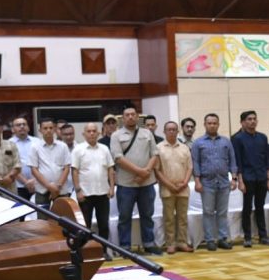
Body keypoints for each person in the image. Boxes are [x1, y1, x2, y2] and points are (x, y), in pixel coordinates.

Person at [110, 107, 162, 255]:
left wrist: (146, 172)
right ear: (123, 118)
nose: (131, 117)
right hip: (126, 184)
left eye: (133, 114)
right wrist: (140, 172)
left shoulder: (147, 134)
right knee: (124, 216)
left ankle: (149, 243)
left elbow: (155, 154)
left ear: (137, 117)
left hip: (147, 183)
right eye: (127, 115)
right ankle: (125, 247)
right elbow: (118, 158)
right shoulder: (116, 135)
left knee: (147, 215)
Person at [192, 113, 238, 251]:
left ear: (218, 124)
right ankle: (210, 239)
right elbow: (195, 163)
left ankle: (223, 238)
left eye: (214, 123)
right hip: (206, 182)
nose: (212, 125)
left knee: (222, 212)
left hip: (224, 182)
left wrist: (234, 178)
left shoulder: (226, 141)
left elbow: (232, 160)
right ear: (205, 124)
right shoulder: (198, 143)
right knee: (208, 212)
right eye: (209, 123)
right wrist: (197, 181)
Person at [232, 110, 269, 247]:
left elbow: (267, 159)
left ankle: (263, 236)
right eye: (249, 119)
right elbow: (238, 161)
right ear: (243, 122)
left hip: (261, 176)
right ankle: (247, 237)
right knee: (247, 208)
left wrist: (268, 179)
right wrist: (240, 181)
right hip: (247, 177)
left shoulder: (262, 137)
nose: (252, 121)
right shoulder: (238, 138)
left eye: (254, 119)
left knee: (260, 207)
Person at [72, 122, 115, 248]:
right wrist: (78, 190)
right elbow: (74, 170)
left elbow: (110, 169)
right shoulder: (78, 150)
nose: (91, 133)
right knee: (85, 225)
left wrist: (112, 187)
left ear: (98, 133)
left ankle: (103, 250)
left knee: (104, 225)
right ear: (83, 134)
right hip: (85, 194)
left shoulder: (104, 149)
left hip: (103, 192)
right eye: (89, 131)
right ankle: (86, 251)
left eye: (94, 131)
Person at [156, 121, 194, 254]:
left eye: (174, 130)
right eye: (169, 130)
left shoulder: (184, 148)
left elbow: (190, 167)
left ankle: (182, 242)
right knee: (169, 218)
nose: (172, 132)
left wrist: (184, 182)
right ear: (164, 132)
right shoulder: (159, 148)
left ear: (178, 132)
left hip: (183, 187)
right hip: (167, 188)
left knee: (182, 217)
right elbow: (157, 170)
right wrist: (170, 185)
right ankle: (170, 243)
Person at [29, 118, 72, 208]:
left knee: (63, 218)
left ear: (55, 129)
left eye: (51, 128)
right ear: (40, 130)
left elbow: (67, 168)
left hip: (61, 190)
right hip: (42, 190)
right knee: (42, 220)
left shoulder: (63, 146)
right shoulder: (35, 147)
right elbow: (34, 170)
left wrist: (58, 187)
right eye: (45, 128)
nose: (48, 130)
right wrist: (49, 186)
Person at [11, 116, 42, 202]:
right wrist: (25, 182)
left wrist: (34, 180)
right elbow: (10, 166)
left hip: (38, 184)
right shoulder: (8, 144)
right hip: (18, 186)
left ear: (28, 128)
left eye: (24, 124)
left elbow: (42, 163)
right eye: (18, 125)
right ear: (13, 129)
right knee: (19, 212)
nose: (22, 127)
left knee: (38, 212)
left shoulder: (37, 142)